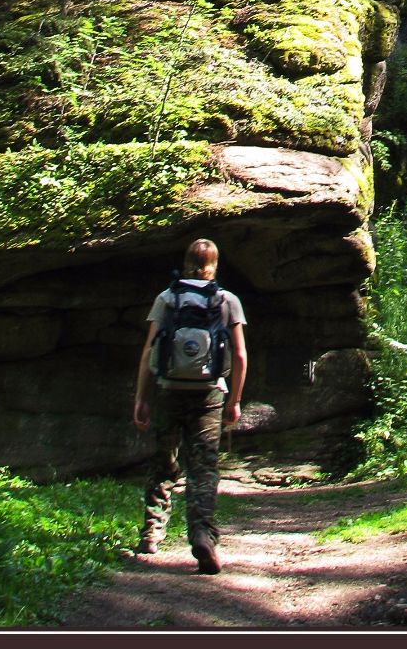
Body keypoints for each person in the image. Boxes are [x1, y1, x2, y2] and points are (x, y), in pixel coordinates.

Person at [133, 237, 247, 574]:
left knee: (164, 461)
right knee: (203, 468)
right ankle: (202, 534)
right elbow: (239, 355)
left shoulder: (167, 298)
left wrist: (142, 396)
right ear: (215, 264)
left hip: (169, 390)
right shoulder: (228, 300)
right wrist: (235, 399)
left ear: (185, 262)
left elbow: (148, 350)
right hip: (209, 394)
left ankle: (152, 533)